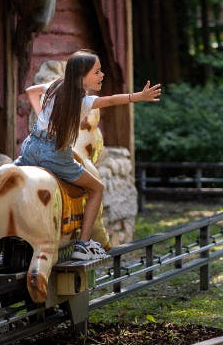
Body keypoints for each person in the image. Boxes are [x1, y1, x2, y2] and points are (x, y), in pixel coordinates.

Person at [17, 49, 162, 260]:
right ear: (81, 76)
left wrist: (43, 118)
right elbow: (111, 101)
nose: (102, 75)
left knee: (12, 176)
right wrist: (138, 96)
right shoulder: (83, 102)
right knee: (97, 188)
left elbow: (31, 91)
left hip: (30, 147)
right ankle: (82, 245)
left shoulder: (54, 86)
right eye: (97, 72)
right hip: (55, 155)